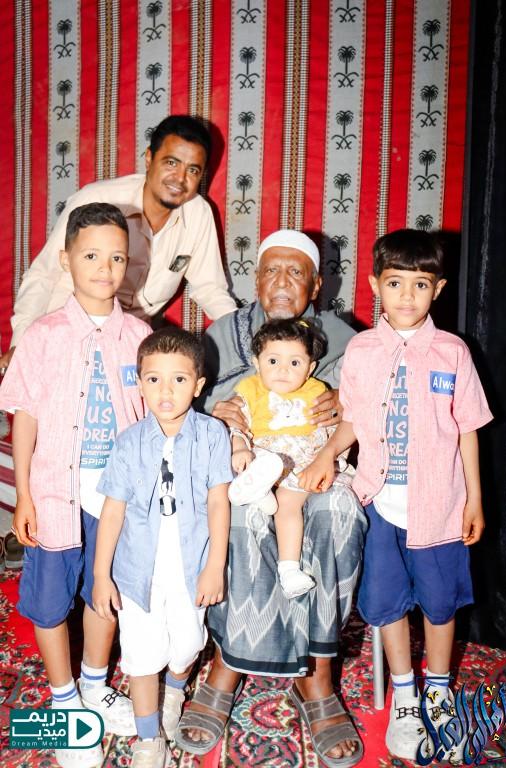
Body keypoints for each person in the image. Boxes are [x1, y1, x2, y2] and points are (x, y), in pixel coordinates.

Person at [299, 229, 493, 762]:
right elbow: (354, 420)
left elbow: (467, 429)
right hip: (379, 503)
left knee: (439, 602)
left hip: (439, 505)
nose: (407, 296)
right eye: (395, 283)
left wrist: (474, 499)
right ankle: (405, 694)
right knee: (385, 603)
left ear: (439, 289)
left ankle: (438, 690)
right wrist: (326, 455)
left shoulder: (453, 352)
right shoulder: (362, 350)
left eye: (420, 285)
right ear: (374, 285)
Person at [175, 230, 366, 768]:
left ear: (317, 285)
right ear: (256, 280)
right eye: (271, 271)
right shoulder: (224, 334)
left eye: (296, 272)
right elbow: (182, 394)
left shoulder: (345, 339)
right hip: (243, 463)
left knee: (338, 513)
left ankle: (317, 674)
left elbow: (373, 401)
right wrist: (214, 414)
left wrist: (345, 400)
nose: (282, 283)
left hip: (314, 463)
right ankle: (229, 661)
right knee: (236, 513)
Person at [0, 203, 152, 768]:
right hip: (55, 493)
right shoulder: (43, 336)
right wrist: (25, 494)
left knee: (104, 590)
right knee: (48, 599)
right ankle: (64, 699)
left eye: (117, 258)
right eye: (91, 256)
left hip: (117, 499)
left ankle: (93, 682)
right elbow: (26, 417)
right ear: (66, 260)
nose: (105, 269)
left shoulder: (139, 335)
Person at [92, 327, 232, 768]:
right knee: (142, 656)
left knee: (187, 646)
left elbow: (218, 501)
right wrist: (101, 574)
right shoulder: (128, 442)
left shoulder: (212, 434)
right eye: (154, 379)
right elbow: (112, 511)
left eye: (179, 379)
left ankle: (174, 692)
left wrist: (215, 565)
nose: (165, 391)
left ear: (199, 384)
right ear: (139, 383)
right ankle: (149, 739)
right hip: (138, 572)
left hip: (191, 568)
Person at [0, 114, 236, 370]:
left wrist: (243, 336)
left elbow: (211, 290)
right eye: (171, 163)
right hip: (64, 330)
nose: (180, 179)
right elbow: (44, 273)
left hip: (129, 344)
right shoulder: (98, 198)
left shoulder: (199, 214)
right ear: (149, 158)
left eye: (193, 170)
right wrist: (22, 344)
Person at [229, 318, 350, 599]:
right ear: (257, 363)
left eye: (295, 363)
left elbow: (330, 429)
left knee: (287, 502)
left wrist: (335, 460)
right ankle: (255, 487)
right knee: (253, 462)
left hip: (300, 463)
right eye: (273, 361)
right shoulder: (250, 389)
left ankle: (289, 569)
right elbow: (238, 423)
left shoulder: (317, 392)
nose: (283, 370)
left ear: (310, 368)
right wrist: (239, 447)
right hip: (263, 455)